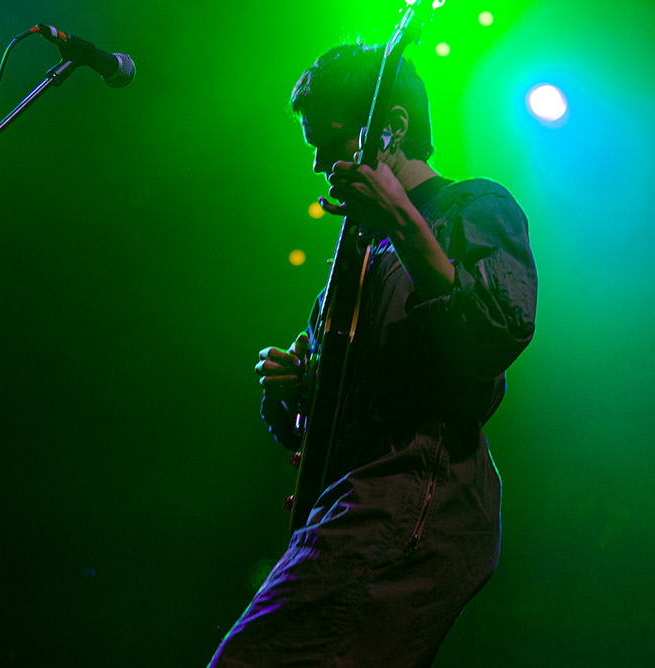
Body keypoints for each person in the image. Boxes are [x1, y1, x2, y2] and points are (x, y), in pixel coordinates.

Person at [209, 43, 538, 667]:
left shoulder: (474, 208)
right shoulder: (352, 259)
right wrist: (295, 391)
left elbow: (495, 337)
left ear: (391, 127)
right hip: (351, 501)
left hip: (415, 496)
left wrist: (400, 219)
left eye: (324, 137)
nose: (316, 161)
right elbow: (323, 424)